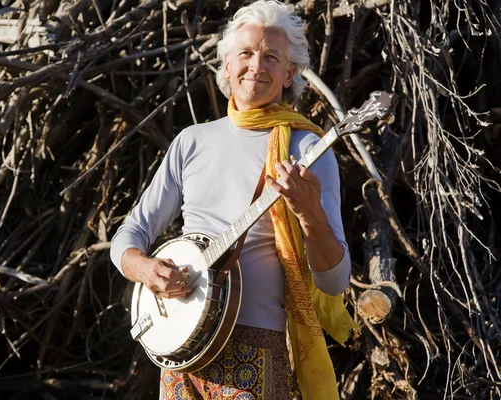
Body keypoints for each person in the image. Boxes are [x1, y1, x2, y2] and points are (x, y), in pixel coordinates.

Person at [110, 1, 357, 398]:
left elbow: (335, 280)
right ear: (226, 64)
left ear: (289, 72)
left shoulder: (308, 148)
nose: (256, 65)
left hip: (255, 350)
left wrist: (310, 214)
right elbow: (130, 233)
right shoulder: (191, 141)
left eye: (271, 57)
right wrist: (142, 267)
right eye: (245, 53)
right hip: (180, 349)